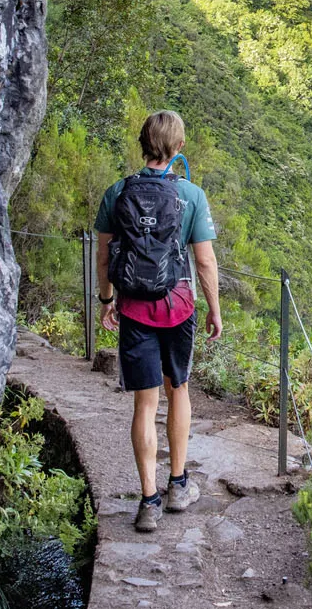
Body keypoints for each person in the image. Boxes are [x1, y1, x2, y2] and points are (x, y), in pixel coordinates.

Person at [94, 110, 224, 533]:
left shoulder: (117, 193)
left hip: (134, 309)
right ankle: (178, 485)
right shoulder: (192, 195)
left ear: (142, 143)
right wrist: (214, 310)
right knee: (179, 389)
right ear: (179, 148)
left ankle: (148, 501)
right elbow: (204, 261)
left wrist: (107, 299)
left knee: (144, 404)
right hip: (178, 308)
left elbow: (104, 255)